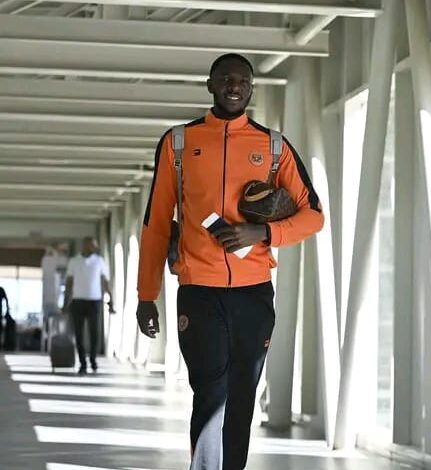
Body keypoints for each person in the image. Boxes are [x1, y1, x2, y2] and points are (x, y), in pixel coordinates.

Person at [136, 53, 324, 470]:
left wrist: (263, 233)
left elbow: (313, 216)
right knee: (210, 391)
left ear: (252, 89)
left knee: (241, 396)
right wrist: (146, 295)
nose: (234, 86)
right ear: (211, 85)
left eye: (242, 80)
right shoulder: (178, 143)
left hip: (253, 293)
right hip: (198, 292)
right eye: (225, 79)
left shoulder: (273, 147)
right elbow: (156, 223)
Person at [63, 237, 114, 374]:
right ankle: (83, 363)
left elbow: (104, 281)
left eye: (95, 246)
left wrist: (111, 299)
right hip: (78, 301)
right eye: (92, 245)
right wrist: (65, 302)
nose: (94, 248)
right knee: (79, 334)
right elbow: (69, 283)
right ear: (85, 245)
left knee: (94, 333)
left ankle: (93, 359)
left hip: (94, 301)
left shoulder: (99, 261)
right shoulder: (74, 261)